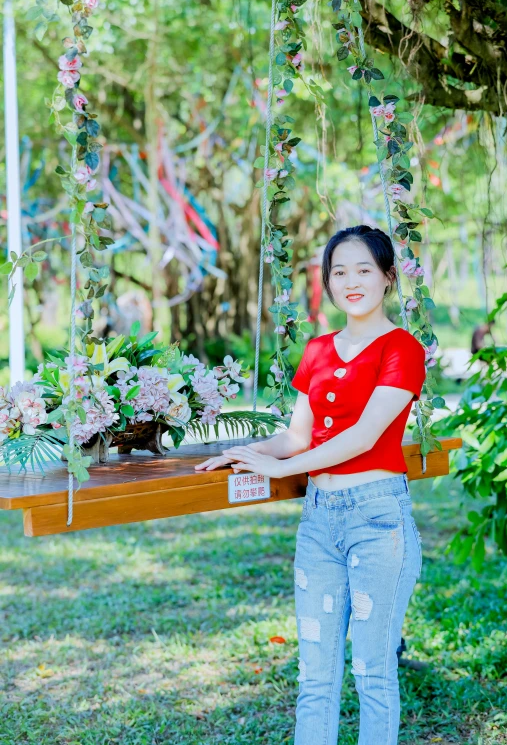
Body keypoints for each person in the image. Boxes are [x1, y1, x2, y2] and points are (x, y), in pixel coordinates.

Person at [194, 225, 426, 745]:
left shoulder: (402, 348)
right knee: (314, 677)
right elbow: (297, 436)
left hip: (377, 519)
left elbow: (366, 436)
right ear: (327, 281)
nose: (351, 281)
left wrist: (283, 470)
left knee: (372, 672)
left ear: (389, 278)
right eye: (339, 271)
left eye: (364, 269)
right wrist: (246, 454)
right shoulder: (319, 349)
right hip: (320, 522)